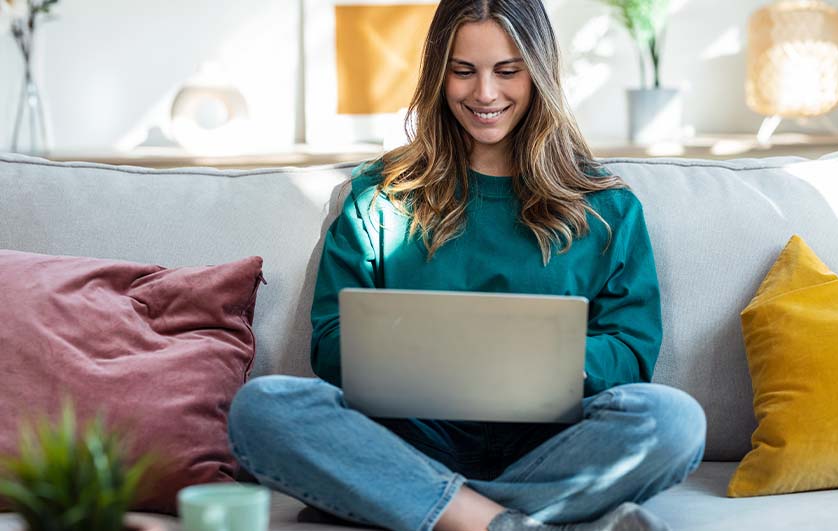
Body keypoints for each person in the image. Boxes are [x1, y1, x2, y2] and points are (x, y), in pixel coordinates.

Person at [226, 1, 706, 530]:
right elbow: (330, 342)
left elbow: (632, 352)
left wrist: (545, 359)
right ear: (438, 73)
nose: (485, 93)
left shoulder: (607, 207)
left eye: (507, 71)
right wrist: (425, 352)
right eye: (463, 71)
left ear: (539, 73)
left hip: (551, 441)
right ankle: (507, 521)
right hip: (409, 436)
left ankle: (419, 503)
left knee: (674, 420)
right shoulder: (379, 196)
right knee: (262, 407)